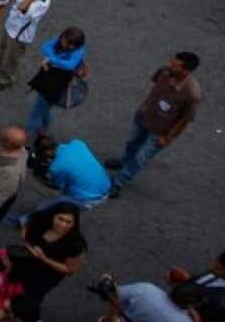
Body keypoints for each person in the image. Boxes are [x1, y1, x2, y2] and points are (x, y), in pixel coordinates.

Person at [106, 52, 202, 196]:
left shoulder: (192, 94)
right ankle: (124, 160)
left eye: (175, 65)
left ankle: (118, 181)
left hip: (161, 131)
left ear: (186, 70)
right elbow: (155, 84)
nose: (170, 65)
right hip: (145, 117)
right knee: (133, 143)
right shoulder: (164, 72)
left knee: (141, 158)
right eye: (171, 62)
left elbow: (185, 120)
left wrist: (168, 137)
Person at [0, 0, 50, 90]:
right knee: (3, 47)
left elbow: (22, 7)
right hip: (11, 25)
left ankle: (6, 79)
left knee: (12, 58)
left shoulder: (42, 2)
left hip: (19, 35)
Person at [24, 135, 110, 216]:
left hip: (90, 199)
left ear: (47, 152)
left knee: (45, 206)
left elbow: (58, 187)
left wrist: (39, 178)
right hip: (106, 186)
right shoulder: (78, 143)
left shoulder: (56, 167)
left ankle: (24, 221)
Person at [24, 27, 86, 139]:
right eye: (63, 39)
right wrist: (56, 60)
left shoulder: (78, 51)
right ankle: (44, 129)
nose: (61, 42)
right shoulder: (68, 44)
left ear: (73, 45)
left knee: (37, 110)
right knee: (45, 107)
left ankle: (26, 137)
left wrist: (51, 59)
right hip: (52, 78)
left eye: (66, 42)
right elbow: (45, 46)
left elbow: (69, 65)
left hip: (55, 82)